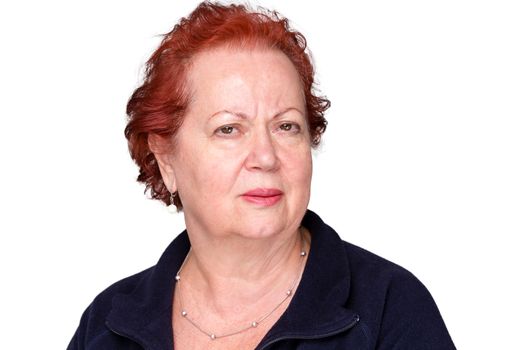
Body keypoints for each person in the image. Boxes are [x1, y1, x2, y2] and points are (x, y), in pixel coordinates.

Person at [68, 2, 455, 349]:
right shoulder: (106, 325)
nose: (266, 157)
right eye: (229, 129)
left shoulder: (389, 308)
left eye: (287, 126)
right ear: (166, 158)